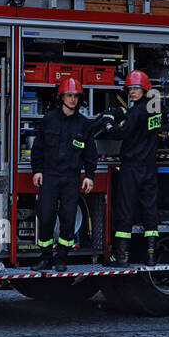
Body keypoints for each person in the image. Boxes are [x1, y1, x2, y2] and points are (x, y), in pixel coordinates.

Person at [31, 77, 97, 272]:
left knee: (68, 218)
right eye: (69, 95)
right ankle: (45, 257)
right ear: (62, 97)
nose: (73, 99)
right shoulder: (49, 120)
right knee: (46, 216)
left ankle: (61, 258)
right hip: (50, 176)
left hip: (71, 177)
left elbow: (91, 153)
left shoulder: (84, 124)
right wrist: (37, 171)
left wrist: (89, 175)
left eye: (76, 96)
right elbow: (38, 149)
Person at [101, 70, 161, 267]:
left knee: (125, 210)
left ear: (145, 89)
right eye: (130, 88)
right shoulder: (156, 109)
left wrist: (109, 122)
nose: (132, 92)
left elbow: (119, 134)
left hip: (132, 167)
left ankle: (122, 256)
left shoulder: (135, 112)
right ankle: (152, 255)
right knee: (149, 210)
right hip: (150, 168)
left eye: (136, 88)